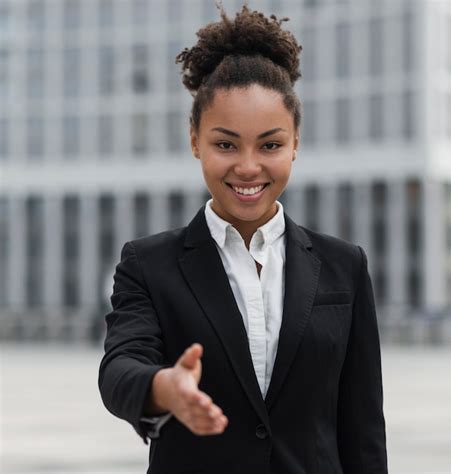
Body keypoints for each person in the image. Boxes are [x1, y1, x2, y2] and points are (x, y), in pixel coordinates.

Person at [98, 4, 388, 474]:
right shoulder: (148, 263)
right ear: (195, 140)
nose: (248, 167)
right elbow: (119, 368)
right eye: (225, 144)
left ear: (296, 142)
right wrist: (164, 387)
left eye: (270, 145)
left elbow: (363, 427)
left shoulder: (345, 265)